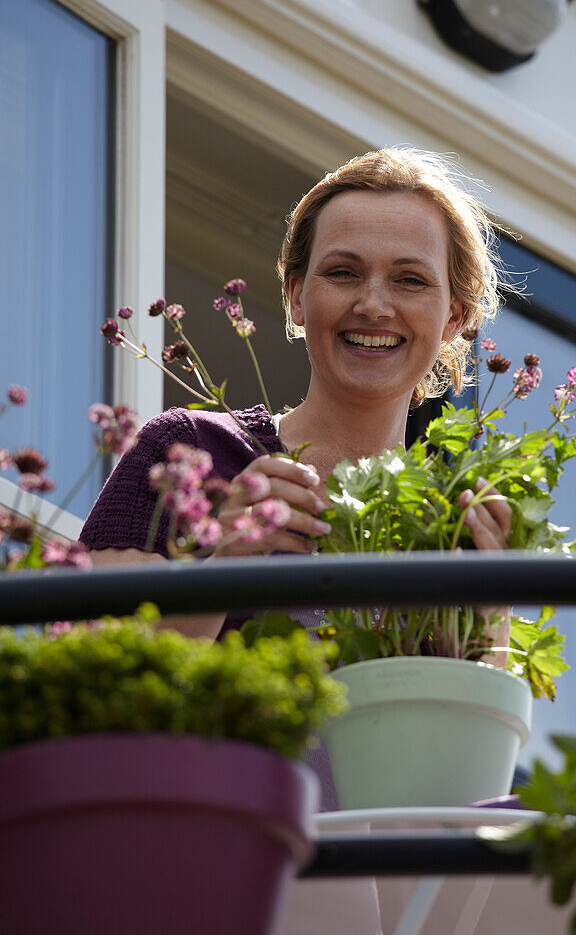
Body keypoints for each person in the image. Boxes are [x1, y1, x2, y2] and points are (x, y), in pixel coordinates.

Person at [80, 147, 513, 799]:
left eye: (410, 280)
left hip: (390, 880)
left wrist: (490, 614)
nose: (374, 304)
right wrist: (218, 569)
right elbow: (83, 673)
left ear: (455, 316)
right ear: (295, 297)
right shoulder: (189, 454)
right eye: (342, 272)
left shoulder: (456, 522)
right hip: (216, 851)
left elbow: (471, 778)